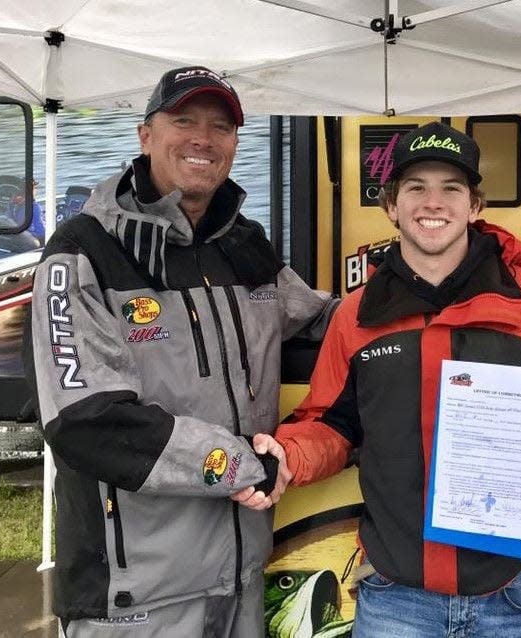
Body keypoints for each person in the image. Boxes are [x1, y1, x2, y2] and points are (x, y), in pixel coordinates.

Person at [271, 121, 521, 637]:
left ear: (475, 206)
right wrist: (287, 458)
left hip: (512, 598)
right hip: (396, 600)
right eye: (416, 187)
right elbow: (332, 425)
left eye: (451, 188)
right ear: (391, 205)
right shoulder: (358, 315)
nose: (433, 202)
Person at [26, 66, 337, 638]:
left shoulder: (245, 245)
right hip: (135, 599)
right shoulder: (83, 253)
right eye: (184, 120)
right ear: (145, 135)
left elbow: (323, 322)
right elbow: (86, 419)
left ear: (234, 145)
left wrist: (428, 289)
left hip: (242, 580)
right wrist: (243, 462)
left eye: (221, 126)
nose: (203, 138)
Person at [9, 179, 45, 244]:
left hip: (14, 237)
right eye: (35, 188)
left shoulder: (12, 204)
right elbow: (41, 231)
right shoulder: (34, 207)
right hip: (28, 240)